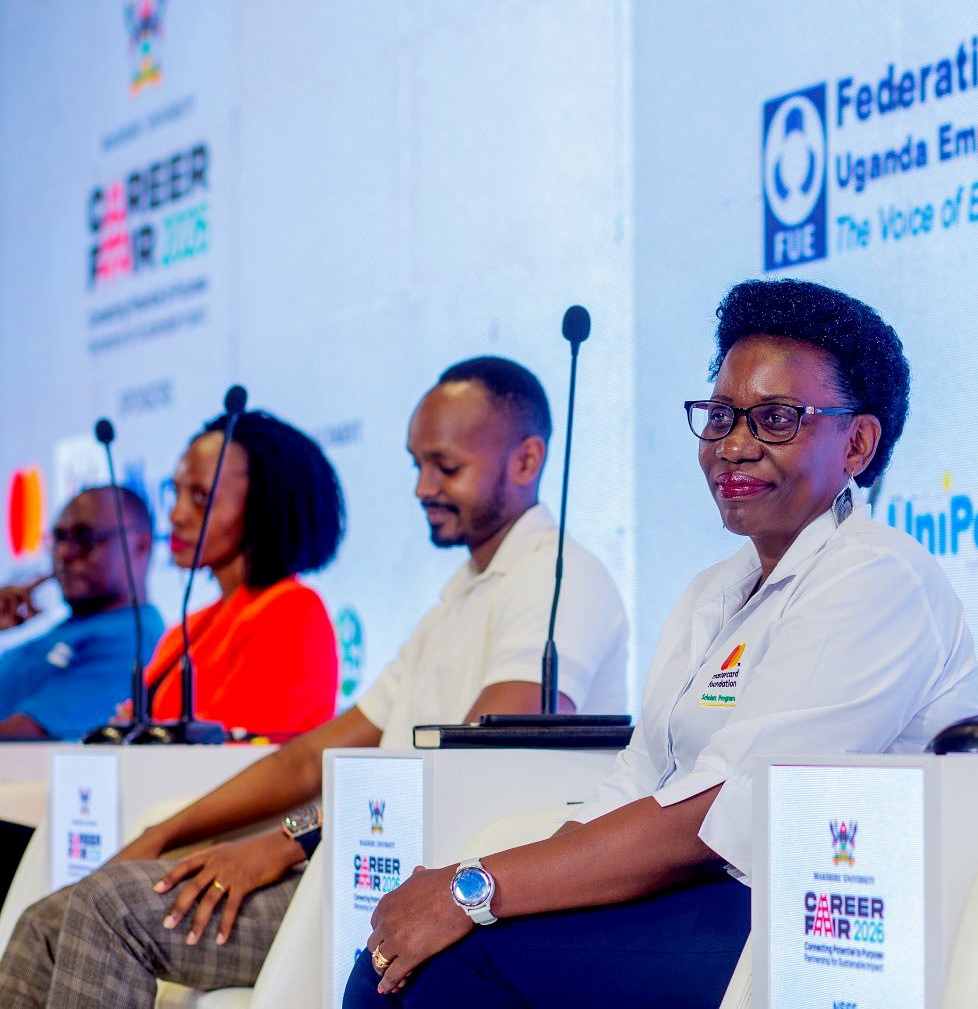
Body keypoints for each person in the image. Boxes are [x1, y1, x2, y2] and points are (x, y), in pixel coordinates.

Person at [343, 280, 978, 1007]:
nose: (734, 445)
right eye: (719, 416)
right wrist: (501, 882)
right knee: (400, 959)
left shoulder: (877, 574)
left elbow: (724, 811)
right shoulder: (713, 591)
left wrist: (475, 892)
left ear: (858, 443)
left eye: (775, 419)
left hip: (818, 920)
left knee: (452, 966)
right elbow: (638, 779)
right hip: (703, 895)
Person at [0, 356, 629, 1008]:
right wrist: (165, 834)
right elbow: (307, 757)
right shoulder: (455, 604)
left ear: (526, 461)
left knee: (111, 909)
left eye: (445, 467)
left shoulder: (560, 581)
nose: (421, 487)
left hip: (431, 892)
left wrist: (283, 843)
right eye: (416, 465)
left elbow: (474, 761)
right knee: (49, 920)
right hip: (362, 862)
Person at [133, 408, 345, 738]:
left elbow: (246, 751)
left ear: (266, 504)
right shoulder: (190, 627)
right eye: (176, 493)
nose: (176, 515)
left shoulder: (292, 613)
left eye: (201, 497)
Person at [0, 487, 163, 740]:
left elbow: (24, 735)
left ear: (140, 544)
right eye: (59, 538)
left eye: (85, 538)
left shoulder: (133, 638)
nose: (65, 553)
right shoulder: (73, 626)